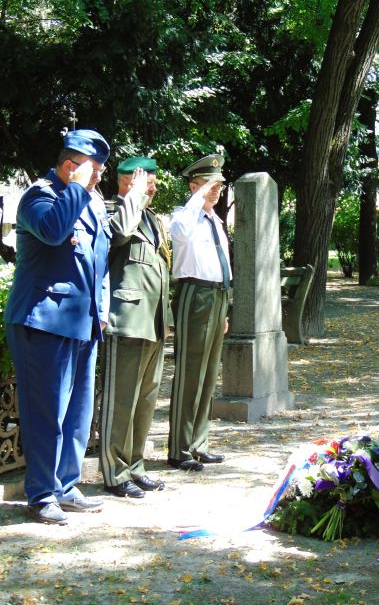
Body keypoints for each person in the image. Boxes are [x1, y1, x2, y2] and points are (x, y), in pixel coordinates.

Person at [5, 129, 111, 524]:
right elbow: (53, 231)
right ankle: (41, 493)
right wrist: (77, 188)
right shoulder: (40, 197)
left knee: (78, 413)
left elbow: (99, 261)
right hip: (43, 321)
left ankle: (65, 485)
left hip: (82, 322)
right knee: (45, 412)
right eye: (93, 170)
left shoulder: (89, 202)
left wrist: (101, 308)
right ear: (70, 166)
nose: (98, 178)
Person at [100, 156, 170, 498]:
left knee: (145, 399)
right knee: (121, 401)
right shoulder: (114, 211)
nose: (152, 190)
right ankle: (115, 472)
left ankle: (135, 465)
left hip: (153, 321)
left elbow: (161, 269)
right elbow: (119, 236)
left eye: (152, 184)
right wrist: (135, 197)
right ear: (127, 182)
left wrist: (167, 319)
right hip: (126, 319)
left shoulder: (152, 218)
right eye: (146, 183)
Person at [168, 154, 231, 472]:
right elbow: (179, 232)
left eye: (218, 185)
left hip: (217, 297)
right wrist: (198, 197)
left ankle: (199, 443)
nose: (215, 190)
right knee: (190, 372)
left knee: (207, 375)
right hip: (195, 295)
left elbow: (220, 265)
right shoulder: (184, 217)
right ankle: (180, 448)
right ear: (193, 187)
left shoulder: (215, 221)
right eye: (209, 184)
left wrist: (224, 310)